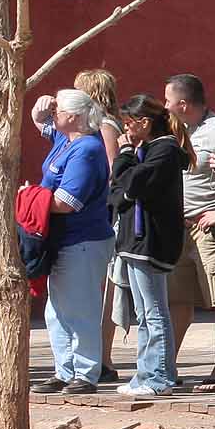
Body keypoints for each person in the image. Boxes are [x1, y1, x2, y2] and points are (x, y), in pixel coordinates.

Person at [29, 90, 114, 394]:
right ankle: (64, 371)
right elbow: (42, 124)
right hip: (62, 240)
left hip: (83, 241)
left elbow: (67, 201)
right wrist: (42, 110)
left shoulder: (87, 149)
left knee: (82, 308)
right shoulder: (66, 140)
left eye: (59, 110)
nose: (55, 114)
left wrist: (29, 199)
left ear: (75, 117)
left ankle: (86, 373)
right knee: (57, 310)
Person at [109, 95, 193, 396]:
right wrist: (126, 177)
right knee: (143, 312)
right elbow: (119, 190)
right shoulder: (148, 149)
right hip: (134, 240)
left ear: (145, 122)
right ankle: (146, 373)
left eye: (129, 124)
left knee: (155, 310)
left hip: (152, 242)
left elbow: (132, 184)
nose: (126, 131)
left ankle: (159, 377)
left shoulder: (165, 150)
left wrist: (125, 153)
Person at [163, 74, 215, 392]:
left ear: (183, 104)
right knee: (178, 301)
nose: (164, 105)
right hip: (180, 229)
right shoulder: (181, 131)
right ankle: (167, 367)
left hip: (211, 230)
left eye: (168, 100)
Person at [75, 67, 124, 383]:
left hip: (105, 217)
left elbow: (111, 170)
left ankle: (103, 358)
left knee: (104, 289)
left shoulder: (105, 126)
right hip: (96, 216)